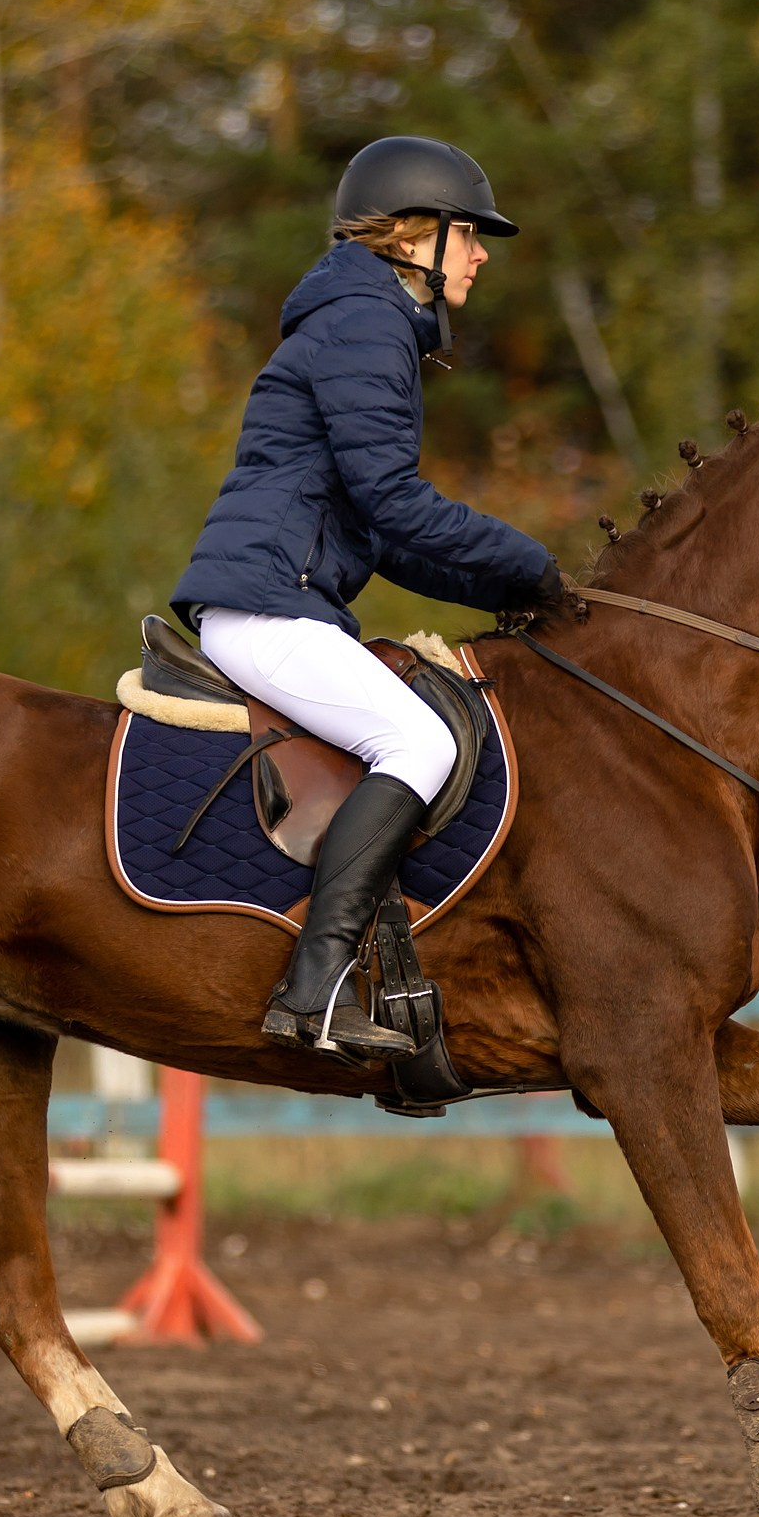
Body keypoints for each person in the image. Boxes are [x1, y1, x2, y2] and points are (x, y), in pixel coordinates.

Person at [171, 135, 567, 1059]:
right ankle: (315, 989)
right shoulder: (367, 324)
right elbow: (394, 501)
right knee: (420, 742)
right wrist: (530, 559)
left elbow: (381, 536)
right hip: (267, 605)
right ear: (414, 236)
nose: (480, 255)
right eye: (470, 235)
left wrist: (507, 589)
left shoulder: (365, 319)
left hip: (277, 597)